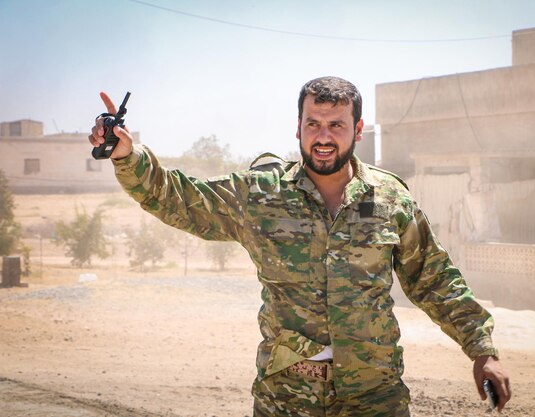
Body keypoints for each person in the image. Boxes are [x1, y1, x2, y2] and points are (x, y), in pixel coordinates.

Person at [89, 76, 511, 416]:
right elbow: (175, 196)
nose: (323, 137)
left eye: (336, 125)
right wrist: (127, 154)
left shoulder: (388, 199)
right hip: (286, 398)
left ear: (357, 130)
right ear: (298, 127)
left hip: (374, 398)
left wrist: (481, 350)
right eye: (313, 124)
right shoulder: (260, 195)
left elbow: (433, 278)